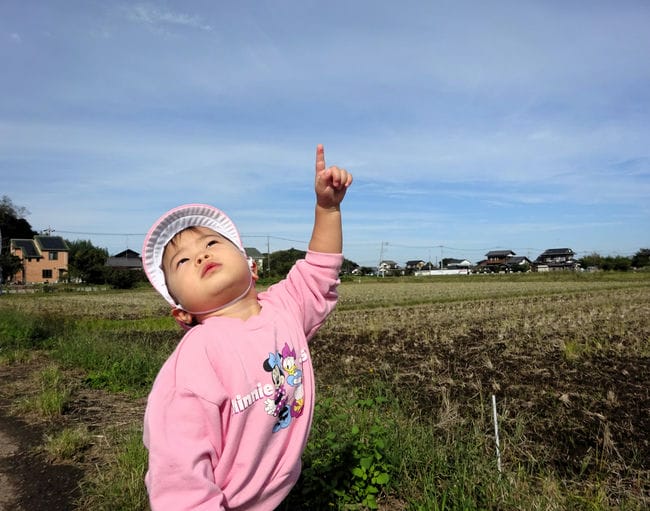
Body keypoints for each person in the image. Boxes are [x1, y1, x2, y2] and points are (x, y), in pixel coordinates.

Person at [141, 144, 352, 510]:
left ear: (251, 267)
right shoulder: (197, 357)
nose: (202, 255)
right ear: (182, 314)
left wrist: (328, 209)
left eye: (211, 243)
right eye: (183, 261)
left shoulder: (283, 308)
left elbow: (320, 271)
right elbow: (178, 472)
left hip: (273, 495)